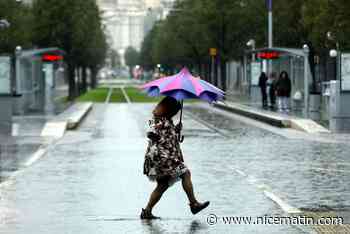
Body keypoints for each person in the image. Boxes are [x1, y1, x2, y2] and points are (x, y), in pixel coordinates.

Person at [141, 96, 210, 219]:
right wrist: (159, 135)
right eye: (174, 111)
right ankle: (194, 204)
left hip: (164, 158)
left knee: (162, 185)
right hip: (163, 159)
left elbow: (167, 136)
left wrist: (175, 130)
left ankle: (147, 211)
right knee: (185, 173)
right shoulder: (160, 121)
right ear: (168, 109)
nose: (175, 114)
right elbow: (152, 132)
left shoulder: (165, 120)